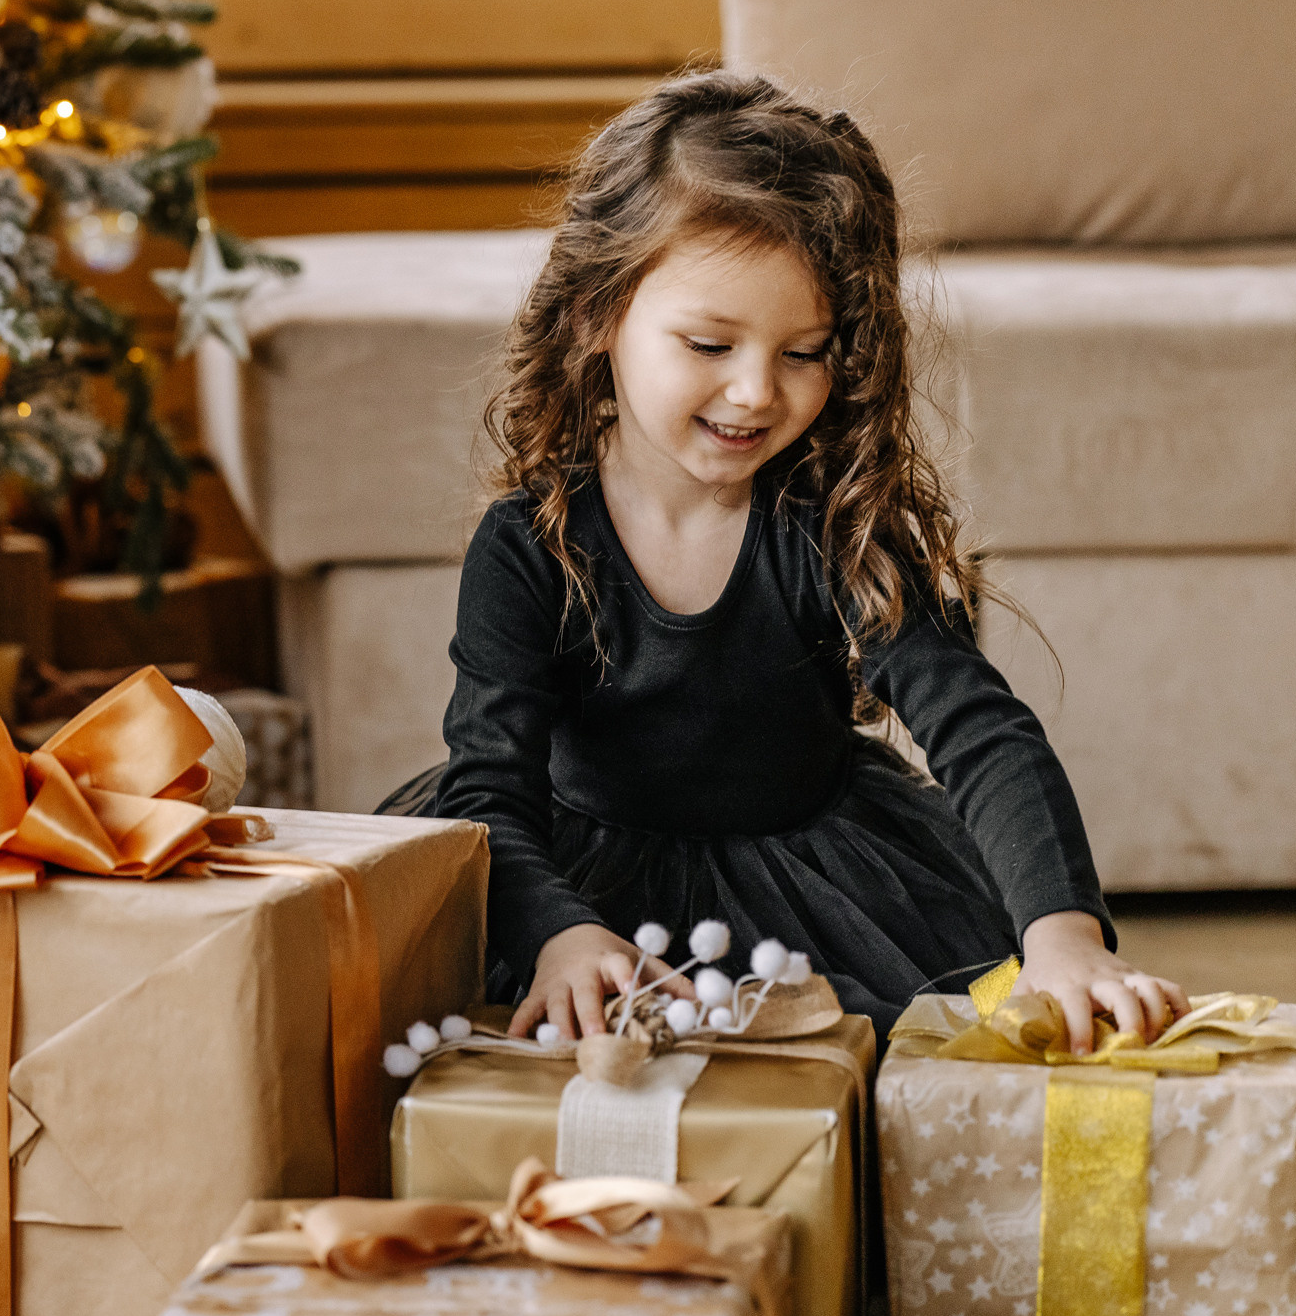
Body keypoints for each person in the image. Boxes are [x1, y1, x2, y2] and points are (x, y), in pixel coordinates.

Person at [386, 72, 1185, 1049]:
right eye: (709, 342)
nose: (755, 391)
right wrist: (556, 934)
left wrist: (1063, 935)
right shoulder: (528, 546)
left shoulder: (834, 524)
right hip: (570, 885)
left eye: (803, 352)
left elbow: (981, 732)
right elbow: (488, 794)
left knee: (880, 1067)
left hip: (822, 894)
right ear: (596, 313)